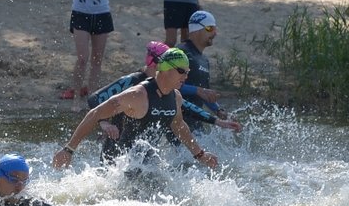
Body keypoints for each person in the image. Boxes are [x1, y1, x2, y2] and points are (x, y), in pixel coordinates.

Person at [53, 48, 219, 170]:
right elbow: (95, 113)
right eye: (182, 71)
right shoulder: (137, 95)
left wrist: (200, 155)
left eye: (188, 72)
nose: (186, 76)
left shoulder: (175, 97)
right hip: (116, 165)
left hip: (145, 163)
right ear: (165, 69)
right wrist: (69, 150)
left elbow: (179, 125)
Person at [87, 41, 242, 163]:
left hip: (145, 150)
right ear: (154, 63)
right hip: (117, 147)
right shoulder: (132, 82)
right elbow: (95, 99)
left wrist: (217, 121)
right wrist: (104, 123)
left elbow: (184, 107)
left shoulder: (166, 89)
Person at [178, 10, 233, 133]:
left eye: (215, 29)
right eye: (209, 28)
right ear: (196, 30)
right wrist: (197, 90)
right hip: (178, 123)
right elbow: (167, 86)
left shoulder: (204, 60)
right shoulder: (181, 53)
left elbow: (204, 93)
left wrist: (219, 111)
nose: (215, 33)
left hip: (196, 121)